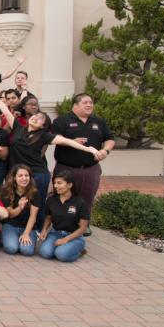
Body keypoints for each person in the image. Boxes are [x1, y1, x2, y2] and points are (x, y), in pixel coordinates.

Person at [0, 87, 99, 222]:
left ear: (43, 126)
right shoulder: (18, 127)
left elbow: (67, 141)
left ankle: (38, 227)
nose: (36, 118)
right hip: (18, 173)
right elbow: (6, 111)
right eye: (36, 116)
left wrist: (90, 150)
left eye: (41, 119)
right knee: (14, 199)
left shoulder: (44, 136)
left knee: (37, 204)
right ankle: (14, 225)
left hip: (37, 174)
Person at [51, 93, 115, 233]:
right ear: (75, 105)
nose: (89, 105)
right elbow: (53, 138)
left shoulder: (98, 121)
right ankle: (59, 226)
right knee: (62, 196)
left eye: (91, 102)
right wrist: (71, 142)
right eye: (85, 102)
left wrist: (105, 151)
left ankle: (83, 227)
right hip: (66, 168)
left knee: (87, 198)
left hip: (90, 168)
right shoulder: (62, 120)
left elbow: (110, 139)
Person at [38, 170, 90, 262]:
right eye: (54, 183)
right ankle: (65, 249)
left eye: (59, 183)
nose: (55, 186)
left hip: (74, 236)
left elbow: (83, 228)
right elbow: (48, 217)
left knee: (61, 254)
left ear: (69, 185)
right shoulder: (51, 199)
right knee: (45, 253)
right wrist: (44, 230)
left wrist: (66, 239)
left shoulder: (80, 202)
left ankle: (79, 251)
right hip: (55, 233)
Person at [0, 164, 41, 256]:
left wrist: (26, 234)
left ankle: (23, 238)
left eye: (26, 176)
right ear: (14, 177)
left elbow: (33, 216)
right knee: (12, 248)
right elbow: (10, 215)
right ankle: (7, 237)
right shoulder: (6, 191)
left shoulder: (35, 193)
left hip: (28, 227)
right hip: (11, 225)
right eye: (20, 176)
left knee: (27, 251)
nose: (24, 178)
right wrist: (20, 207)